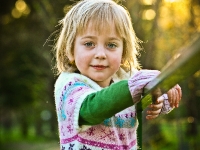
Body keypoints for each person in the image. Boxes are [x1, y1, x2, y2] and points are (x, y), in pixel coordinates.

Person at [53, 0, 182, 149]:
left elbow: (142, 90)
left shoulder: (125, 78)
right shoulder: (68, 84)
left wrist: (162, 89)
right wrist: (140, 82)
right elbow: (92, 109)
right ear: (70, 50)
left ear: (123, 53)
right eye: (89, 44)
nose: (100, 54)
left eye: (111, 45)